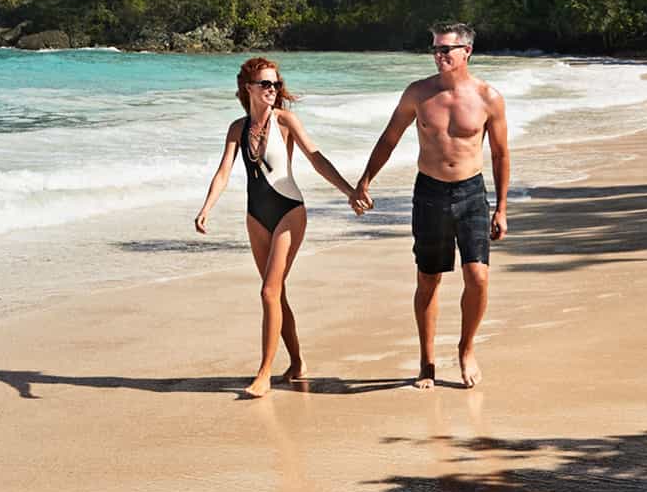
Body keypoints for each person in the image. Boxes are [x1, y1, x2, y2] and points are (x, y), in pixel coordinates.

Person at [194, 57, 366, 398]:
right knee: (277, 294)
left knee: (268, 293)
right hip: (256, 216)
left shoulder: (285, 121)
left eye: (275, 84)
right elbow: (224, 171)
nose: (272, 89)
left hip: (289, 212)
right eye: (265, 84)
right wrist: (206, 208)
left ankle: (264, 375)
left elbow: (316, 158)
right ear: (248, 88)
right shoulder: (237, 128)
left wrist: (350, 191)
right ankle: (298, 363)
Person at [354, 22, 509, 389]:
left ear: (466, 52)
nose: (439, 56)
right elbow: (389, 138)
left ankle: (466, 349)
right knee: (428, 279)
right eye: (435, 49)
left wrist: (501, 207)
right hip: (429, 194)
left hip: (472, 192)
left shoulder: (489, 98)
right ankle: (427, 362)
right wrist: (365, 180)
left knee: (478, 277)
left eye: (446, 50)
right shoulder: (418, 94)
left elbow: (501, 154)